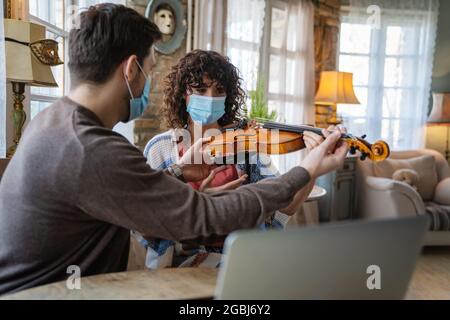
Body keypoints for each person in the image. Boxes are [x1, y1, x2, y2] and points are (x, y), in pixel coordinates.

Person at [0, 4, 348, 295]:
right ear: (131, 69)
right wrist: (306, 170)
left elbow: (125, 194)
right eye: (149, 69)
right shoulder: (90, 148)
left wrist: (178, 173)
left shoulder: (51, 124)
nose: (147, 82)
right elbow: (204, 217)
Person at [140, 50, 334, 269]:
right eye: (200, 89)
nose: (210, 98)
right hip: (181, 267)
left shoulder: (247, 144)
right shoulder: (161, 148)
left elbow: (285, 207)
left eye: (219, 90)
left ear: (228, 96)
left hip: (241, 261)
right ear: (184, 94)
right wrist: (198, 201)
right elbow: (146, 222)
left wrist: (313, 165)